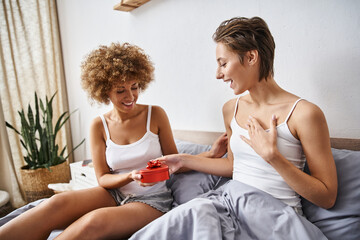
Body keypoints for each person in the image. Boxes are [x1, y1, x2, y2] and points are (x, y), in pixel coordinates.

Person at [129, 17, 338, 239]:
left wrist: (273, 157)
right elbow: (233, 166)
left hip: (274, 219)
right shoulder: (231, 109)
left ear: (251, 57)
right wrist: (182, 160)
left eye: (223, 63)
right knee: (187, 215)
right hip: (230, 205)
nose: (218, 74)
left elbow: (327, 197)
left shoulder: (305, 114)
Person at [0, 42, 180, 240]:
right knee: (54, 204)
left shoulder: (155, 115)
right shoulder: (98, 125)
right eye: (120, 90)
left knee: (93, 222)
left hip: (151, 200)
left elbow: (176, 160)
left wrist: (209, 155)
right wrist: (131, 176)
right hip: (114, 193)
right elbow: (102, 178)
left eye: (134, 87)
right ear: (105, 91)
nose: (130, 96)